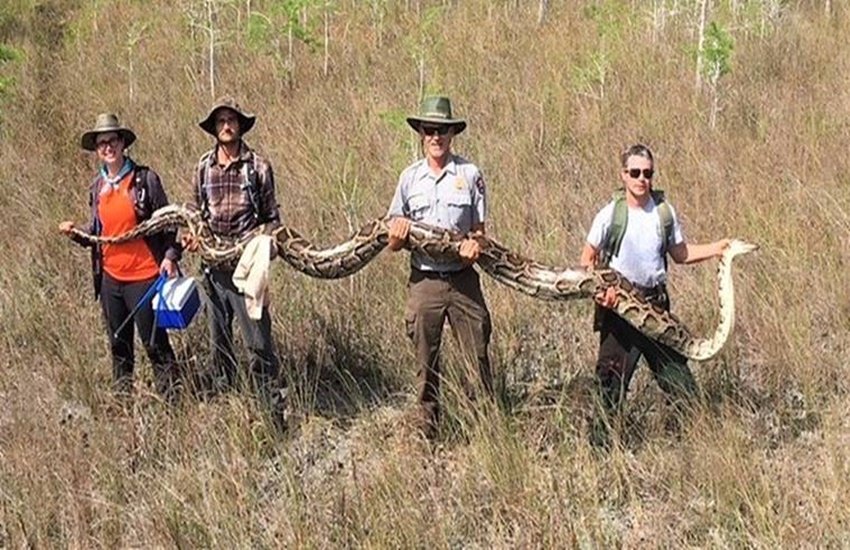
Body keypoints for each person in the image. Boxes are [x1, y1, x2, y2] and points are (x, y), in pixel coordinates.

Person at [580, 143, 729, 435]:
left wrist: (718, 248)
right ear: (623, 175)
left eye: (647, 173)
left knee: (681, 384)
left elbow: (681, 253)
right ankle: (601, 454)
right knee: (609, 387)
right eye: (634, 172)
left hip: (656, 309)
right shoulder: (610, 214)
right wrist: (601, 291)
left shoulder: (663, 212)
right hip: (619, 310)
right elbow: (587, 259)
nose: (641, 179)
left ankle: (698, 441)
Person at [386, 95, 493, 440]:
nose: (436, 136)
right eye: (430, 129)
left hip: (463, 281)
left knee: (476, 359)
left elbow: (480, 232)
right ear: (421, 133)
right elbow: (390, 240)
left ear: (452, 134)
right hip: (425, 281)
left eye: (442, 130)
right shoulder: (409, 178)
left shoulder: (470, 174)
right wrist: (398, 235)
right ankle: (426, 434)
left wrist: (475, 245)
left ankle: (484, 435)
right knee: (425, 363)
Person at [59, 113, 182, 404]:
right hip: (110, 280)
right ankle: (123, 402)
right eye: (101, 143)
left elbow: (169, 222)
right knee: (119, 344)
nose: (107, 147)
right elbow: (98, 233)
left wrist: (170, 256)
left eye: (112, 140)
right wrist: (76, 233)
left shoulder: (145, 180)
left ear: (123, 143)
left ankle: (174, 401)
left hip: (145, 277)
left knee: (154, 344)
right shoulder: (96, 188)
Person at [185, 96, 286, 430]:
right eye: (220, 121)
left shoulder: (258, 166)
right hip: (213, 270)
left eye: (232, 120)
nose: (226, 126)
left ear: (240, 125)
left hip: (248, 270)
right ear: (214, 129)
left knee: (258, 343)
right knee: (219, 343)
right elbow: (195, 213)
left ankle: (272, 412)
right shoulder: (203, 167)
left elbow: (272, 218)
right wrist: (191, 238)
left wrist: (261, 242)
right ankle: (227, 410)